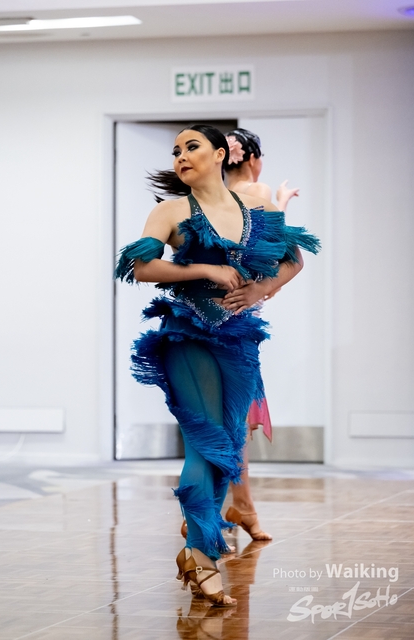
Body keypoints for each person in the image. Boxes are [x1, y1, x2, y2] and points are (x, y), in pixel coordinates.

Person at [115, 124, 320, 607]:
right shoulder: (170, 211)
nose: (181, 156)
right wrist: (205, 268)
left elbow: (292, 259)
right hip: (187, 332)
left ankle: (196, 551)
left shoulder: (255, 209)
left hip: (239, 338)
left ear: (220, 154)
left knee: (229, 445)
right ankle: (203, 556)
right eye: (176, 151)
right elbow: (141, 267)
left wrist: (261, 289)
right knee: (205, 441)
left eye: (192, 147)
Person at [222, 128, 299, 541]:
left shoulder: (214, 198)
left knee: (224, 416)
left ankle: (238, 504)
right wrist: (279, 201)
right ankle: (234, 505)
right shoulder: (258, 189)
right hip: (234, 317)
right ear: (253, 159)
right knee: (232, 417)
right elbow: (278, 253)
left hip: (219, 312)